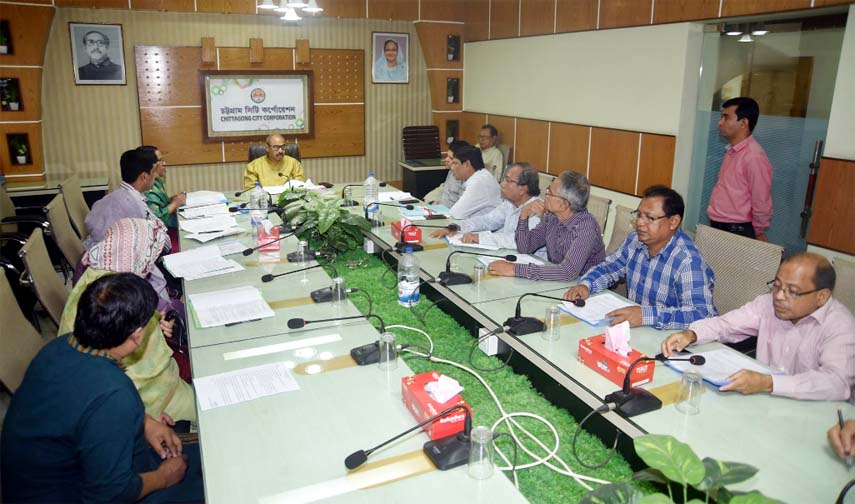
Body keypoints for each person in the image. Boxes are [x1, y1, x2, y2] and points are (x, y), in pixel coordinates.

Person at [1, 273, 203, 503]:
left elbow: (81, 406)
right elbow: (111, 493)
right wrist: (164, 477)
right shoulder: (114, 393)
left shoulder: (61, 347)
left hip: (47, 482)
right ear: (137, 335)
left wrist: (145, 422)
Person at [662, 253, 855, 402]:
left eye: (793, 292)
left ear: (822, 296)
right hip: (762, 402)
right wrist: (692, 334)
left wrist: (769, 383)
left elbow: (837, 383)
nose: (779, 296)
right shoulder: (767, 304)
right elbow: (725, 325)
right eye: (777, 286)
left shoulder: (840, 325)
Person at [61, 218, 196, 422]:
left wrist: (156, 322)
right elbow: (124, 376)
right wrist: (144, 419)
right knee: (214, 410)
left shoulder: (100, 277)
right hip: (150, 399)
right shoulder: (119, 299)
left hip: (147, 388)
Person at [564, 185, 716, 330]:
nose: (640, 223)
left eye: (649, 218)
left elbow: (702, 314)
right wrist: (586, 285)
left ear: (673, 222)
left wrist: (646, 316)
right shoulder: (635, 240)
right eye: (639, 215)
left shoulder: (687, 261)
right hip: (634, 330)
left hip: (671, 339)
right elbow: (609, 267)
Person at [487, 171, 605, 280]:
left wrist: (515, 269)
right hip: (558, 282)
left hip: (585, 287)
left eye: (550, 193)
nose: (545, 195)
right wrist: (524, 215)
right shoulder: (552, 218)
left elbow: (568, 272)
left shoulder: (586, 227)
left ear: (564, 204)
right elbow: (525, 247)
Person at [430, 162, 545, 257]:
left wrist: (479, 237)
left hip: (533, 265)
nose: (502, 184)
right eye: (504, 179)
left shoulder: (537, 210)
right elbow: (488, 220)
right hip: (510, 256)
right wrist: (456, 227)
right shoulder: (510, 203)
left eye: (508, 181)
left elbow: (515, 240)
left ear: (523, 189)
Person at [707, 96, 773, 241]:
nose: (720, 123)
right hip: (720, 225)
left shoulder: (754, 157)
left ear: (743, 123)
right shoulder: (733, 150)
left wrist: (757, 231)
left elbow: (761, 200)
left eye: (726, 117)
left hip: (737, 230)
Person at [83, 148, 159, 251]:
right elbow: (156, 241)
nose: (156, 175)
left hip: (95, 250)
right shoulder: (134, 205)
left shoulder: (119, 194)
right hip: (108, 259)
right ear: (144, 176)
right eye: (154, 172)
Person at [141, 145, 185, 252]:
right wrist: (174, 204)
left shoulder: (157, 181)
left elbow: (160, 205)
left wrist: (171, 200)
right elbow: (157, 220)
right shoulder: (146, 189)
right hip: (164, 236)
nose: (164, 164)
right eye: (160, 161)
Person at [447, 144, 502, 219]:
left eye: (455, 163)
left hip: (491, 230)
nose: (452, 168)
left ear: (467, 164)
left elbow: (456, 214)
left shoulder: (479, 182)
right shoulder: (480, 176)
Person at [424, 140, 467, 208]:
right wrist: (434, 202)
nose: (446, 159)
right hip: (439, 210)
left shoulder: (464, 178)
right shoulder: (451, 172)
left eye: (450, 158)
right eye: (447, 156)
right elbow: (444, 191)